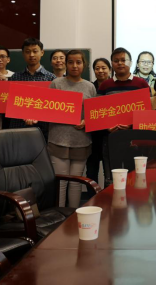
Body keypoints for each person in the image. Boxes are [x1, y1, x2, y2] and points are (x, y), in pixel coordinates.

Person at [47, 50, 96, 208]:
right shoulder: (56, 84)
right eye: (71, 62)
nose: (75, 66)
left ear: (84, 65)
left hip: (81, 141)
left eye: (78, 62)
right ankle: (59, 216)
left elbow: (93, 114)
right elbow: (47, 109)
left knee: (76, 182)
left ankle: (73, 216)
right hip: (58, 140)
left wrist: (86, 121)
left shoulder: (90, 87)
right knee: (60, 182)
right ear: (66, 64)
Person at [8, 38, 57, 141]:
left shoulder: (51, 78)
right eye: (27, 52)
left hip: (43, 130)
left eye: (35, 51)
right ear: (23, 54)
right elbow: (8, 102)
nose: (31, 55)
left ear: (42, 53)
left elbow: (54, 106)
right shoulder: (15, 77)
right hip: (18, 128)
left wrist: (37, 116)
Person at [98, 47, 150, 133]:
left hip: (136, 135)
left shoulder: (142, 84)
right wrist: (107, 127)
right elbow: (98, 113)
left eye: (123, 60)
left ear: (131, 63)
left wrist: (132, 125)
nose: (120, 63)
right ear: (112, 64)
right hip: (112, 136)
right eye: (116, 61)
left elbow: (148, 112)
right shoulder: (105, 85)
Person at [86, 57, 112, 195]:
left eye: (104, 68)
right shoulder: (90, 87)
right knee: (92, 171)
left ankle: (108, 198)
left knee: (109, 172)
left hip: (110, 135)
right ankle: (92, 198)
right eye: (97, 68)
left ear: (110, 70)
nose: (100, 71)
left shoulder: (114, 87)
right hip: (93, 136)